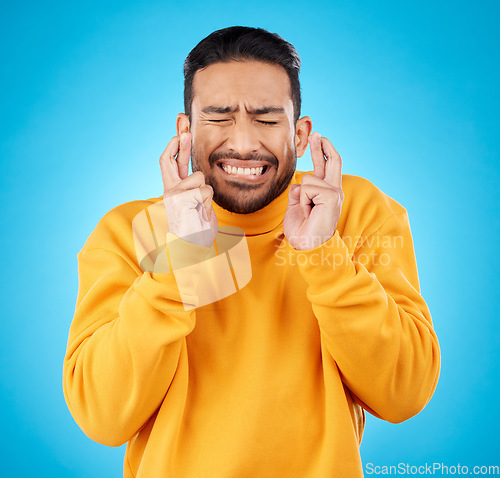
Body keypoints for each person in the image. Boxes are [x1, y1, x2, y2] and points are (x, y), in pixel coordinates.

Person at [63, 26, 440, 477]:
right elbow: (101, 416)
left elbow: (405, 392)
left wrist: (323, 255)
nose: (243, 143)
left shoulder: (356, 212)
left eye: (266, 119)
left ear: (300, 135)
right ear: (185, 130)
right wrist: (180, 260)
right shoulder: (129, 232)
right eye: (219, 117)